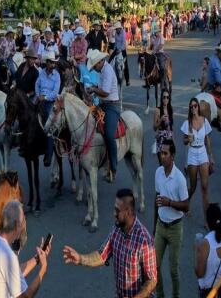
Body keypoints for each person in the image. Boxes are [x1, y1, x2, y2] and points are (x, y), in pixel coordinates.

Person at [62, 188, 157, 298]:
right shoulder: (116, 229)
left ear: (129, 212)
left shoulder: (144, 240)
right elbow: (102, 256)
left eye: (117, 210)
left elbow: (152, 280)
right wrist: (80, 258)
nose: (114, 213)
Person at [0, 200, 51, 298]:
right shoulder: (8, 256)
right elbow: (26, 296)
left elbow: (15, 272)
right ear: (17, 225)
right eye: (23, 221)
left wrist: (37, 259)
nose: (24, 225)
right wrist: (43, 268)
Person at [153, 140, 189, 298]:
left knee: (173, 270)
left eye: (165, 153)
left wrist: (171, 203)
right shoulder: (158, 172)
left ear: (172, 156)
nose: (162, 156)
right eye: (161, 153)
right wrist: (154, 226)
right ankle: (160, 295)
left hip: (175, 228)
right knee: (154, 266)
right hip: (161, 227)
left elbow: (186, 206)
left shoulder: (180, 178)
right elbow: (157, 198)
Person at [86, 49, 120, 183]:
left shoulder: (108, 71)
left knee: (109, 135)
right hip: (103, 104)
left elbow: (105, 92)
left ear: (100, 62)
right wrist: (93, 88)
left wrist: (93, 89)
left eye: (95, 66)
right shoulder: (102, 71)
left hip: (111, 106)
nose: (94, 68)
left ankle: (114, 165)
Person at [181, 97, 214, 223]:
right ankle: (186, 201)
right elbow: (184, 141)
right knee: (193, 186)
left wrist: (211, 156)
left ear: (198, 107)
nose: (193, 108)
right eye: (191, 106)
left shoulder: (204, 121)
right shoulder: (187, 123)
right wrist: (187, 140)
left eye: (195, 106)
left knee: (205, 187)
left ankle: (207, 219)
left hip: (203, 153)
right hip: (192, 154)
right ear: (189, 109)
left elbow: (208, 140)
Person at [195, 204, 221, 298]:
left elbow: (199, 273)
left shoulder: (206, 243)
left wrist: (198, 252)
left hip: (209, 293)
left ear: (207, 221)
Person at [35, 51, 61, 166]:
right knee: (28, 116)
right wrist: (38, 95)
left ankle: (49, 154)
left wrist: (44, 97)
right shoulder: (41, 73)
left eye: (54, 63)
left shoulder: (57, 75)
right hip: (40, 99)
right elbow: (37, 85)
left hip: (50, 101)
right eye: (51, 63)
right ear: (47, 63)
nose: (52, 65)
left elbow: (55, 93)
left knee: (49, 127)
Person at [153, 88, 173, 158]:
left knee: (170, 164)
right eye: (164, 97)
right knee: (162, 164)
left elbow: (171, 128)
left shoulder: (170, 109)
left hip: (169, 139)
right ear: (161, 98)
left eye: (167, 97)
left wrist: (174, 143)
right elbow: (154, 128)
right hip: (161, 140)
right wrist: (160, 120)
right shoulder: (157, 110)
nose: (165, 99)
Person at [109, 21, 130, 86]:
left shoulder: (123, 33)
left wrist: (120, 50)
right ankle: (110, 77)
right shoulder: (116, 33)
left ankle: (127, 80)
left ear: (119, 28)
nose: (116, 30)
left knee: (125, 65)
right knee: (109, 60)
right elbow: (115, 42)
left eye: (117, 29)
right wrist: (114, 49)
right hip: (116, 49)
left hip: (122, 50)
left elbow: (123, 43)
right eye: (116, 29)